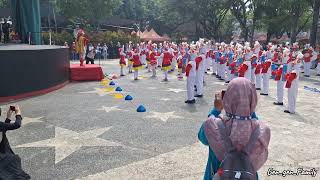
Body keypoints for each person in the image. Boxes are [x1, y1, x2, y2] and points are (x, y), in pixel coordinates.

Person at [198, 77, 271, 180]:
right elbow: (256, 126)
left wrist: (215, 110)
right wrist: (249, 109)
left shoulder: (213, 125)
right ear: (253, 99)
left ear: (227, 97)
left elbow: (202, 137)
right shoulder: (262, 130)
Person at [0, 106, 30, 179]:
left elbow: (3, 129)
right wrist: (18, 114)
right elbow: (17, 124)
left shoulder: (1, 126)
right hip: (4, 154)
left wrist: (8, 117)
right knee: (13, 174)